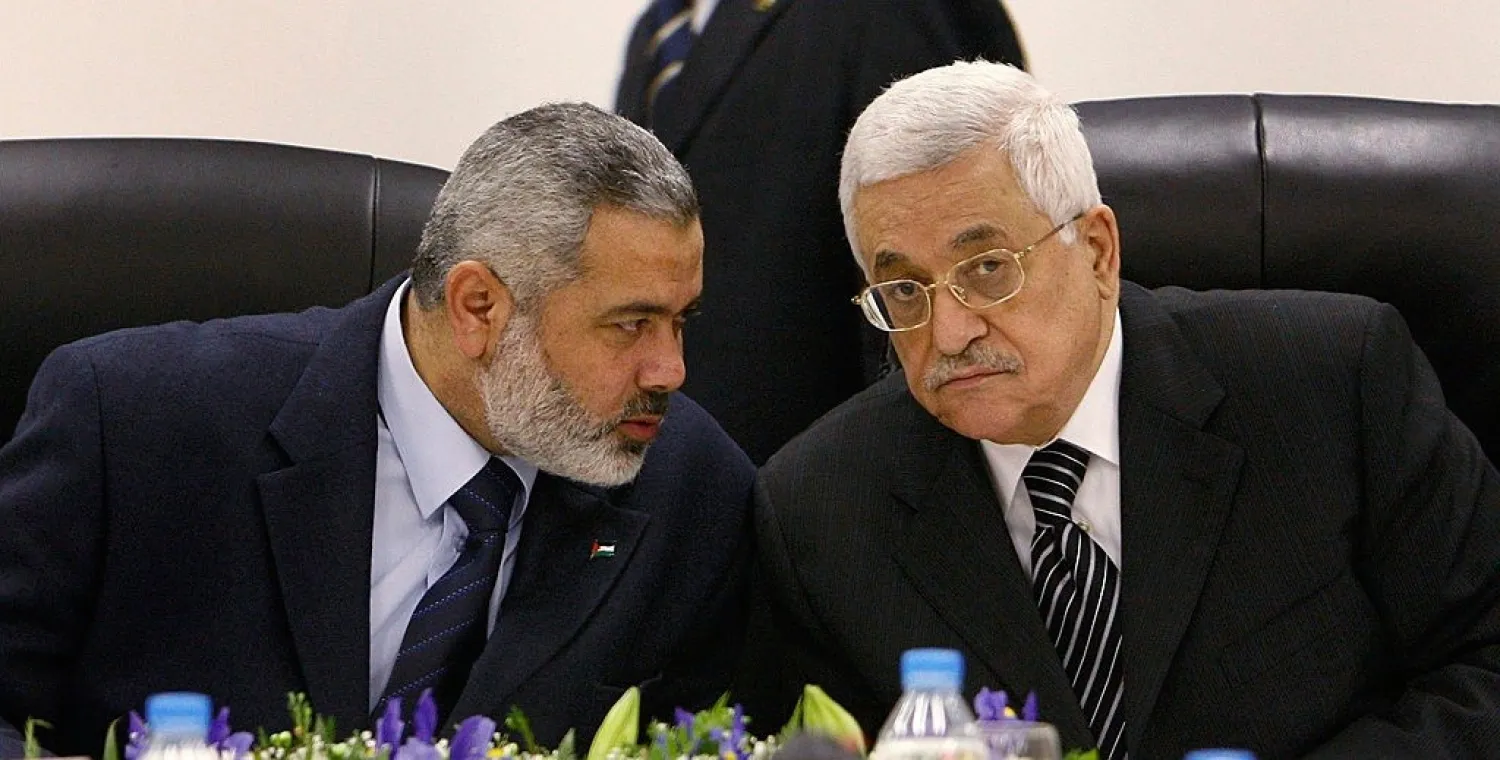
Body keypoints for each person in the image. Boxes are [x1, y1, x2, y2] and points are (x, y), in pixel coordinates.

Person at [741, 62, 1500, 759]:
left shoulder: (1330, 384)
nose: (950, 332)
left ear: (1098, 251)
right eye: (904, 289)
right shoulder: (821, 510)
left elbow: (1485, 664)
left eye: (987, 268)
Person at [0, 103, 755, 758]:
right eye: (631, 325)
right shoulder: (134, 422)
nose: (670, 370)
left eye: (680, 321)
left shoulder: (695, 488)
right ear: (478, 308)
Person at [615, 0, 1028, 463]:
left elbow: (934, 256)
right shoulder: (655, 34)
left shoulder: (891, 11)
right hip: (693, 479)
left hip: (840, 485)